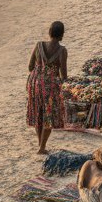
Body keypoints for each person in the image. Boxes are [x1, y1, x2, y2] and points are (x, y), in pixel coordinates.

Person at [26, 21, 67, 155]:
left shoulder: (39, 46)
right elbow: (63, 75)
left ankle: (40, 144)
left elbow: (30, 67)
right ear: (62, 35)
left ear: (49, 33)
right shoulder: (62, 51)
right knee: (48, 115)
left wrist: (40, 71)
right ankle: (42, 147)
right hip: (50, 86)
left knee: (39, 113)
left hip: (35, 83)